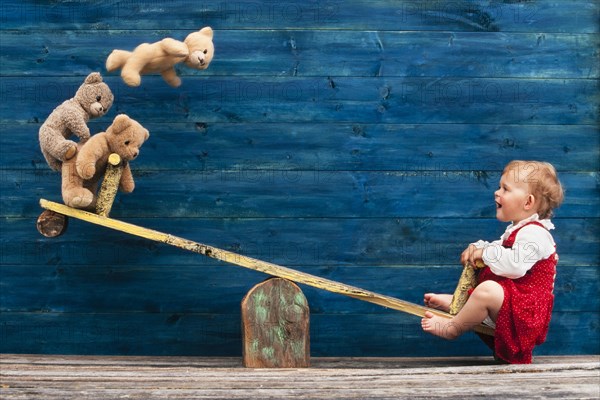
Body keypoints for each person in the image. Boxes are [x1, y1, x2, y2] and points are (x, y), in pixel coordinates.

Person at [421, 160, 564, 364]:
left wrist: (485, 253)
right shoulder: (517, 231)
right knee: (488, 280)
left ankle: (453, 327)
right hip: (517, 307)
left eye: (505, 189)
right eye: (499, 187)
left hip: (527, 314)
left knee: (488, 289)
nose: (497, 193)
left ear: (527, 203)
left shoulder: (535, 234)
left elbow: (514, 265)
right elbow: (496, 250)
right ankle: (461, 303)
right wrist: (478, 250)